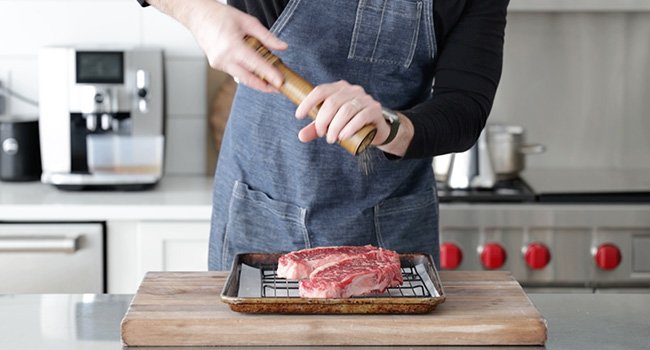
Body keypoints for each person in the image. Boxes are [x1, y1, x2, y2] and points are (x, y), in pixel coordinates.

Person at [139, 0, 508, 271]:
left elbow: (464, 106)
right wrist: (198, 13)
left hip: (390, 222)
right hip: (262, 210)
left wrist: (390, 124)